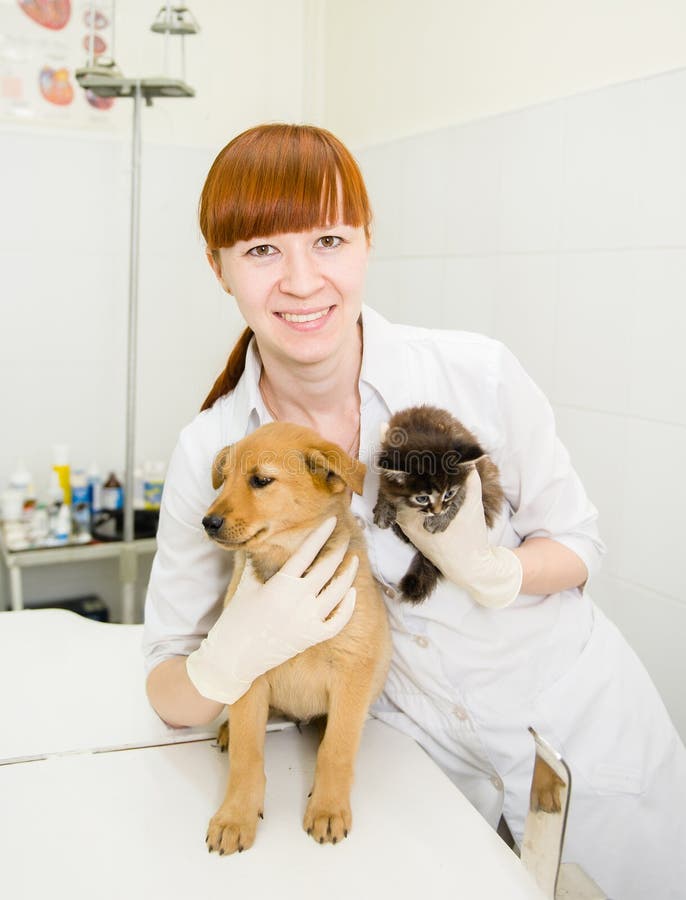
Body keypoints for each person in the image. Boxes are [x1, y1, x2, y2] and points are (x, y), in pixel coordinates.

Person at [143, 123, 686, 899]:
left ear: (367, 241)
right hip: (417, 768)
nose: (302, 281)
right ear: (218, 266)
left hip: (579, 730)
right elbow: (167, 686)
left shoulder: (475, 374)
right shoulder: (212, 451)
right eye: (262, 250)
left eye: (329, 241)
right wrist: (225, 659)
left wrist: (497, 571)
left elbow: (578, 544)